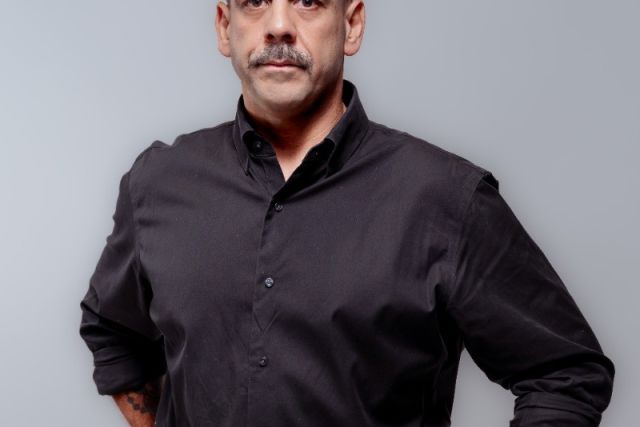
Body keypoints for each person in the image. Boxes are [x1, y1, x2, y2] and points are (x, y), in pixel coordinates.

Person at [78, 1, 615, 426]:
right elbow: (113, 331)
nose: (278, 25)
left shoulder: (445, 198)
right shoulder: (159, 182)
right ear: (225, 27)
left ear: (351, 25)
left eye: (309, 2)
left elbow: (565, 374)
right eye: (254, 2)